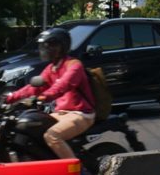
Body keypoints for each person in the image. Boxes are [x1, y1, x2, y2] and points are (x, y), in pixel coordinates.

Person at [5, 27, 96, 161]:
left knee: (52, 136)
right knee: (29, 129)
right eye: (44, 46)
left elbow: (63, 85)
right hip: (60, 113)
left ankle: (76, 170)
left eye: (51, 46)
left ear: (62, 47)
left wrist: (44, 96)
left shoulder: (74, 65)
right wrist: (9, 98)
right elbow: (33, 87)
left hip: (80, 114)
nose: (46, 49)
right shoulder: (51, 68)